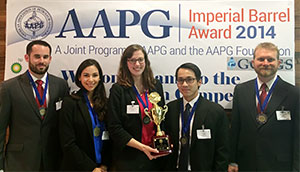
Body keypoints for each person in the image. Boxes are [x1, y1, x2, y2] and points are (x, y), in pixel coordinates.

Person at [228, 42, 299, 171]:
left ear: (278, 63)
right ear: (253, 62)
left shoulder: (294, 94)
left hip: (280, 166)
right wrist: (232, 161)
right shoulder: (241, 90)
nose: (265, 63)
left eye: (270, 59)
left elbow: (298, 136)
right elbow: (235, 130)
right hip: (247, 164)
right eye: (261, 59)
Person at [0, 40, 69, 171]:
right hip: (20, 162)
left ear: (50, 59)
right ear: (27, 57)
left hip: (52, 160)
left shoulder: (61, 85)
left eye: (45, 57)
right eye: (37, 56)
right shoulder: (9, 88)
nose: (41, 61)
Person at [106, 44, 166, 171]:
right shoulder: (118, 90)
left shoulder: (156, 86)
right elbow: (114, 127)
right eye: (132, 60)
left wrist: (162, 141)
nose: (137, 64)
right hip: (128, 157)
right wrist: (142, 147)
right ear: (125, 63)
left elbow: (161, 119)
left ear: (146, 61)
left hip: (154, 154)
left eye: (140, 59)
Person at [164, 62, 230, 171]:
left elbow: (222, 150)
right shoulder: (169, 109)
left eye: (189, 80)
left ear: (199, 81)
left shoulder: (215, 111)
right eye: (180, 80)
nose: (185, 84)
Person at [59, 59, 111, 172]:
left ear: (100, 78)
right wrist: (91, 168)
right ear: (79, 77)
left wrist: (104, 165)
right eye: (86, 75)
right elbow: (68, 142)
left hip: (103, 168)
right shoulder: (70, 103)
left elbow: (111, 138)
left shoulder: (106, 103)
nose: (90, 80)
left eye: (95, 75)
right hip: (77, 167)